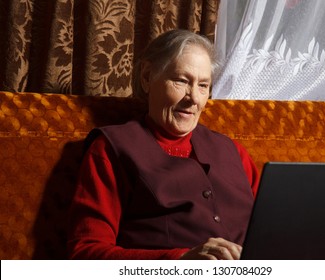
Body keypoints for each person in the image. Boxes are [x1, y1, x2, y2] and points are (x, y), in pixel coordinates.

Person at [67, 29, 260, 260]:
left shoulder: (234, 151)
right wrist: (180, 261)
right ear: (147, 77)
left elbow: (277, 229)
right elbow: (85, 253)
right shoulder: (110, 150)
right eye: (181, 81)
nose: (194, 99)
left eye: (203, 85)